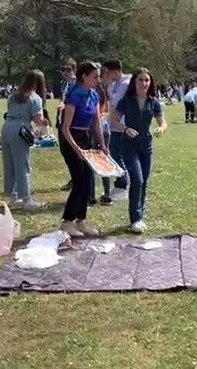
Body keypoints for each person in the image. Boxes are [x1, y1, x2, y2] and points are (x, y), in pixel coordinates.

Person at [111, 68, 167, 233]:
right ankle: (135, 218)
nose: (144, 83)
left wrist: (161, 129)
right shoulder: (126, 100)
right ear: (134, 82)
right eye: (141, 80)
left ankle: (139, 217)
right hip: (129, 145)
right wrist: (125, 128)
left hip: (146, 145)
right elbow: (113, 119)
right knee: (137, 180)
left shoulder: (153, 101)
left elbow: (163, 122)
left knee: (144, 182)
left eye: (147, 80)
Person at [59, 61, 106, 238]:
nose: (98, 80)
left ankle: (81, 219)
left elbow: (95, 122)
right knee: (79, 179)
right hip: (70, 138)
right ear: (84, 77)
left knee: (87, 178)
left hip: (85, 139)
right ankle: (67, 221)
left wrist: (102, 144)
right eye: (95, 77)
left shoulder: (93, 95)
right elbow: (65, 127)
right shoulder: (74, 96)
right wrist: (76, 148)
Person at [1, 70, 47, 210]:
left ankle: (13, 197)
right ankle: (26, 199)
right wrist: (44, 123)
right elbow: (38, 120)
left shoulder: (13, 96)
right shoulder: (35, 98)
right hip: (20, 130)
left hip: (6, 128)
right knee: (23, 165)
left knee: (9, 164)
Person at [103, 59, 130, 202]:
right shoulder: (114, 84)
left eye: (107, 72)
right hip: (113, 124)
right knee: (114, 153)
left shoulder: (126, 84)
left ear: (114, 71)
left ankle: (122, 184)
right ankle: (120, 183)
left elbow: (117, 101)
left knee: (116, 154)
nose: (106, 75)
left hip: (123, 124)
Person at [56, 59, 77, 190]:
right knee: (64, 151)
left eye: (68, 69)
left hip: (70, 123)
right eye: (63, 69)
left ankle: (76, 179)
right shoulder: (65, 84)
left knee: (71, 152)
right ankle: (73, 177)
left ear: (74, 70)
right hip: (61, 121)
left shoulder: (76, 84)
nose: (65, 72)